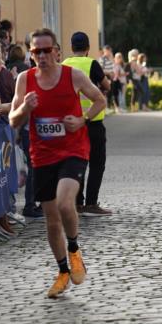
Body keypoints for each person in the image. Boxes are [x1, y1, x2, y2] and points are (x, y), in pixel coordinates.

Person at [9, 27, 105, 298]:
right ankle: (63, 270)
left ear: (57, 51)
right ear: (31, 54)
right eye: (36, 51)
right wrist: (25, 108)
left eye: (46, 50)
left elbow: (100, 99)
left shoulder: (73, 75)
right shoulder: (24, 81)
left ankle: (74, 248)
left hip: (74, 149)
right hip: (42, 155)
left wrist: (83, 120)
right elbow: (13, 121)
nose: (41, 56)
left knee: (65, 203)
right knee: (51, 221)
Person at [62, 31, 112, 217]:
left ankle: (77, 202)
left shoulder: (64, 65)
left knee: (77, 163)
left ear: (72, 47)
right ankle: (91, 203)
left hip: (72, 123)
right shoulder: (92, 64)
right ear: (88, 48)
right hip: (93, 121)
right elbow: (106, 86)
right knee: (97, 163)